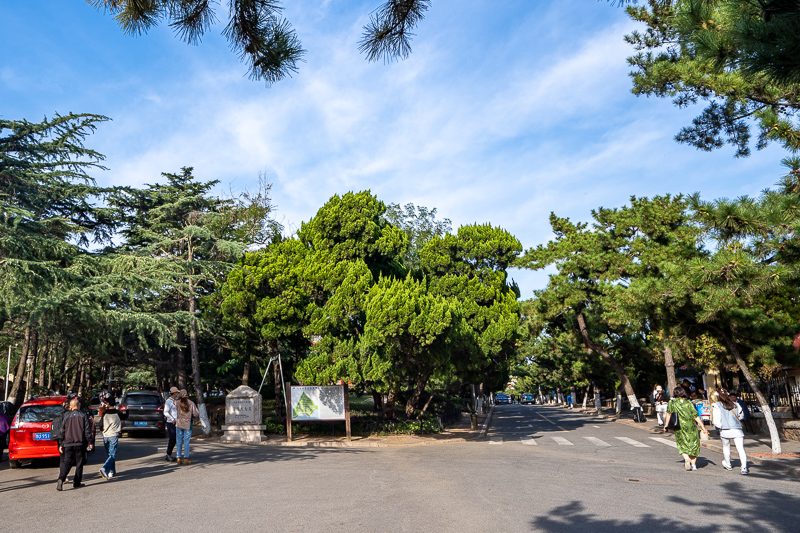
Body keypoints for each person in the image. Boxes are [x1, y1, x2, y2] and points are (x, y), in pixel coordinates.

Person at [665, 386, 708, 471]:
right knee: (694, 444)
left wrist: (666, 425)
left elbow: (668, 414)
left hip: (679, 426)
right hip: (691, 425)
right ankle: (694, 465)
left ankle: (686, 458)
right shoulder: (688, 403)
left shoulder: (672, 402)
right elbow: (695, 416)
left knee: (681, 444)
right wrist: (703, 427)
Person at [56, 397, 93, 490]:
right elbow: (87, 430)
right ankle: (77, 482)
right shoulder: (83, 415)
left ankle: (61, 478)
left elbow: (62, 431)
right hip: (80, 443)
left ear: (71, 407)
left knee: (67, 462)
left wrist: (61, 444)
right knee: (79, 463)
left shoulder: (66, 416)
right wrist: (90, 442)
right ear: (79, 405)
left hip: (68, 443)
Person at [712, 388, 748, 475]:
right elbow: (741, 416)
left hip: (725, 430)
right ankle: (744, 467)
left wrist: (719, 427)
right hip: (737, 429)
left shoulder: (717, 405)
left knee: (726, 447)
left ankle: (728, 464)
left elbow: (716, 420)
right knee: (740, 449)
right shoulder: (736, 404)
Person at [99, 395, 126, 480]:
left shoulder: (104, 413)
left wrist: (103, 430)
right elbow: (125, 417)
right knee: (112, 455)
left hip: (105, 436)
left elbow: (100, 425)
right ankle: (104, 468)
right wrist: (127, 410)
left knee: (109, 455)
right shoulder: (118, 413)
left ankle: (111, 471)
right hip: (113, 435)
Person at [175, 389, 199, 465]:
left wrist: (178, 397)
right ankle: (186, 458)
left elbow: (174, 401)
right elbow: (196, 414)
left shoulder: (178, 403)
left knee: (179, 441)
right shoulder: (191, 403)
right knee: (186, 442)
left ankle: (178, 458)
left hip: (179, 424)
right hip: (188, 424)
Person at [164, 386, 180, 462]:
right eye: (177, 392)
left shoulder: (175, 401)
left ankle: (174, 454)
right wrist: (172, 418)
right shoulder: (168, 401)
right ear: (174, 393)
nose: (177, 394)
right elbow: (165, 412)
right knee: (172, 438)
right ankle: (168, 454)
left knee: (176, 439)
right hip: (171, 423)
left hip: (177, 422)